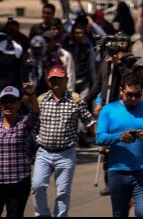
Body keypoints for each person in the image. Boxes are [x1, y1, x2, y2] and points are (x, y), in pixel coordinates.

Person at [95, 73, 143, 217]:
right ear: (121, 90)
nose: (134, 99)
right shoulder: (109, 110)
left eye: (138, 95)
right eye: (129, 94)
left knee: (142, 213)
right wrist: (119, 137)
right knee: (119, 213)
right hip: (117, 172)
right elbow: (99, 138)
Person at [32, 66, 96, 217]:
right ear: (49, 82)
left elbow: (89, 120)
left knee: (63, 192)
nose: (56, 82)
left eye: (59, 79)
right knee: (37, 186)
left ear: (66, 80)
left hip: (66, 153)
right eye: (53, 79)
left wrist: (101, 135)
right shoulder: (41, 100)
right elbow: (32, 124)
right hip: (43, 152)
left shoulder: (74, 100)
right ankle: (42, 214)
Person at [0, 84, 39, 217]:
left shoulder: (25, 123)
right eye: (4, 102)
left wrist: (32, 95)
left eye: (12, 101)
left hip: (19, 183)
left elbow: (35, 112)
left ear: (18, 103)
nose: (8, 105)